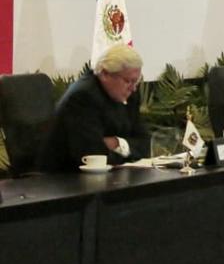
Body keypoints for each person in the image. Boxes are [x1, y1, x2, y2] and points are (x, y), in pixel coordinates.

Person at [37, 44, 150, 172]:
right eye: (128, 81)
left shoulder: (129, 94)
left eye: (136, 81)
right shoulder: (83, 97)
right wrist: (130, 153)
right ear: (105, 74)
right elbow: (93, 156)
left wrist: (117, 143)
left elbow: (145, 144)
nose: (133, 88)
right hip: (64, 178)